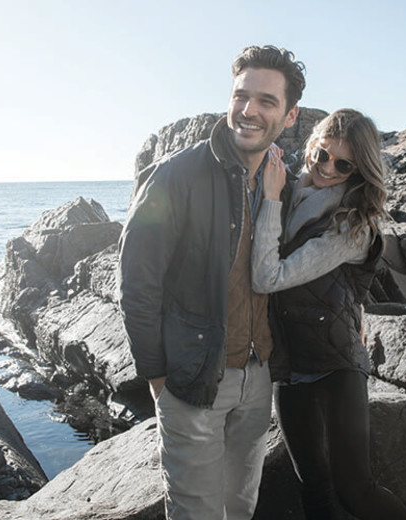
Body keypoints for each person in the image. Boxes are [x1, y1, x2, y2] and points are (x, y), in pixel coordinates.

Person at [118, 45, 306, 520]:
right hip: (193, 379)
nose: (249, 110)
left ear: (288, 116)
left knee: (239, 509)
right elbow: (138, 285)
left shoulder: (282, 180)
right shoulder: (174, 177)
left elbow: (315, 253)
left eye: (266, 101)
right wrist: (158, 378)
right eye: (241, 96)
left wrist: (357, 305)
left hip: (258, 377)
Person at [252, 109, 406, 520]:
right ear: (311, 145)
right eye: (322, 155)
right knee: (312, 486)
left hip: (335, 363)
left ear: (358, 170)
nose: (327, 169)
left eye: (342, 165)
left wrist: (271, 199)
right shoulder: (288, 189)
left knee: (355, 490)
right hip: (289, 363)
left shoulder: (352, 224)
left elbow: (270, 275)